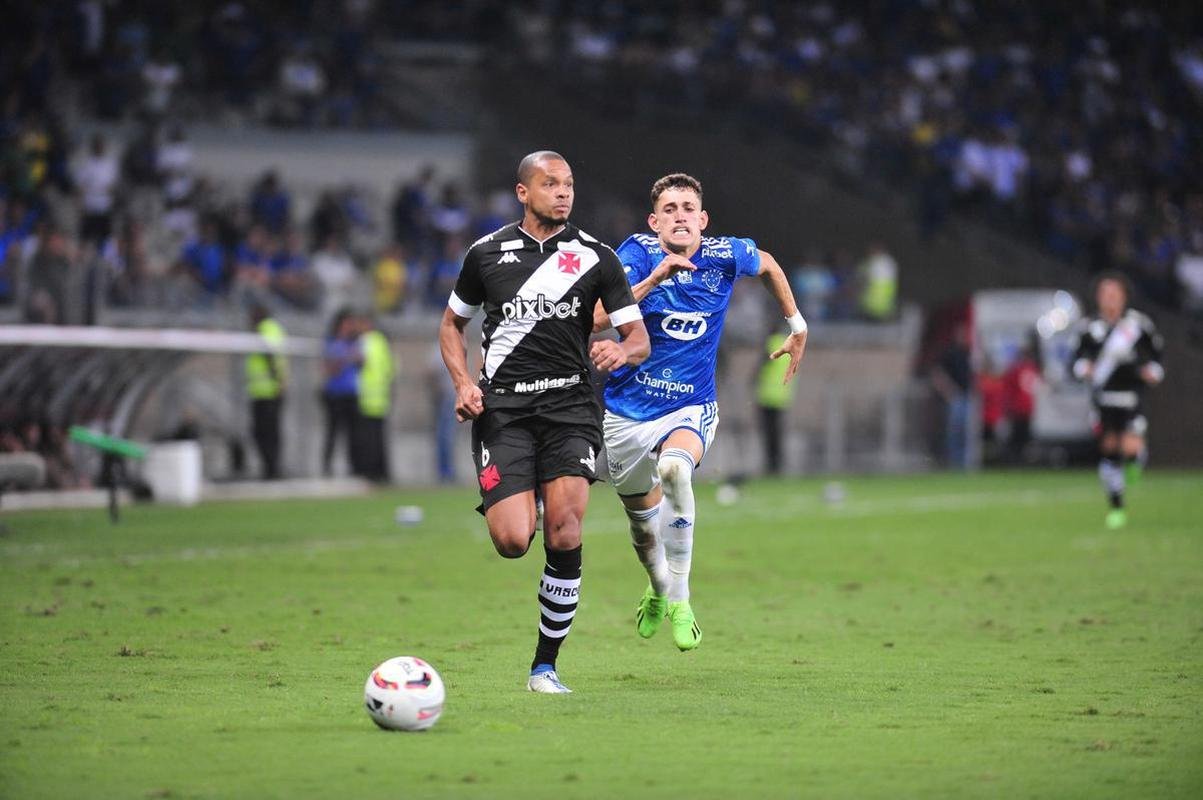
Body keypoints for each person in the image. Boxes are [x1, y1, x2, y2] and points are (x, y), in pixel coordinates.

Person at [438, 150, 649, 694]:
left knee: (565, 529)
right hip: (504, 411)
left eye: (568, 184)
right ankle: (525, 494)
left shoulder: (596, 256)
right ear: (523, 192)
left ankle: (544, 667)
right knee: (513, 541)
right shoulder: (485, 254)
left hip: (569, 409)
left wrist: (620, 351)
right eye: (550, 183)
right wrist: (463, 382)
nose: (563, 192)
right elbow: (451, 325)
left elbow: (637, 338)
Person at [593, 172, 807, 652]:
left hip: (691, 406)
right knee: (642, 528)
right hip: (627, 412)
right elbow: (596, 319)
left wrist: (796, 323)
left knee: (675, 469)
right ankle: (658, 587)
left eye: (688, 208)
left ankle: (682, 599)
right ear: (654, 222)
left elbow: (769, 264)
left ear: (703, 219)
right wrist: (655, 279)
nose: (680, 216)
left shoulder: (724, 254)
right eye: (669, 209)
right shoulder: (635, 254)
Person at [1071, 273, 1164, 529]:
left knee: (1131, 447)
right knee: (1110, 449)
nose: (1110, 299)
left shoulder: (1138, 325)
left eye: (1115, 294)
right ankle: (1117, 507)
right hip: (1103, 399)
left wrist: (1153, 371)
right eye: (1105, 294)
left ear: (1124, 297)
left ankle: (1134, 461)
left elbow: (1156, 354)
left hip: (1131, 398)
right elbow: (1076, 359)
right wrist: (1084, 368)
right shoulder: (1089, 328)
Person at [245, 304, 288, 479]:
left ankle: (271, 468)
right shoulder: (275, 329)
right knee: (271, 432)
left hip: (267, 391)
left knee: (264, 432)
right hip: (267, 390)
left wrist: (277, 380)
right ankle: (272, 467)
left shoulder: (264, 329)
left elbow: (269, 355)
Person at [353, 312, 394, 483]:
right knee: (379, 438)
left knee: (368, 438)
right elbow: (390, 368)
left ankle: (370, 472)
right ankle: (382, 472)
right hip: (381, 396)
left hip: (367, 396)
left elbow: (358, 361)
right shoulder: (381, 341)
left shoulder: (364, 341)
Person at [320, 308, 359, 477]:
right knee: (333, 432)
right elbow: (329, 369)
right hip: (335, 394)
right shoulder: (331, 343)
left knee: (352, 434)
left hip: (351, 393)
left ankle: (353, 467)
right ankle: (327, 467)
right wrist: (344, 359)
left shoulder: (354, 343)